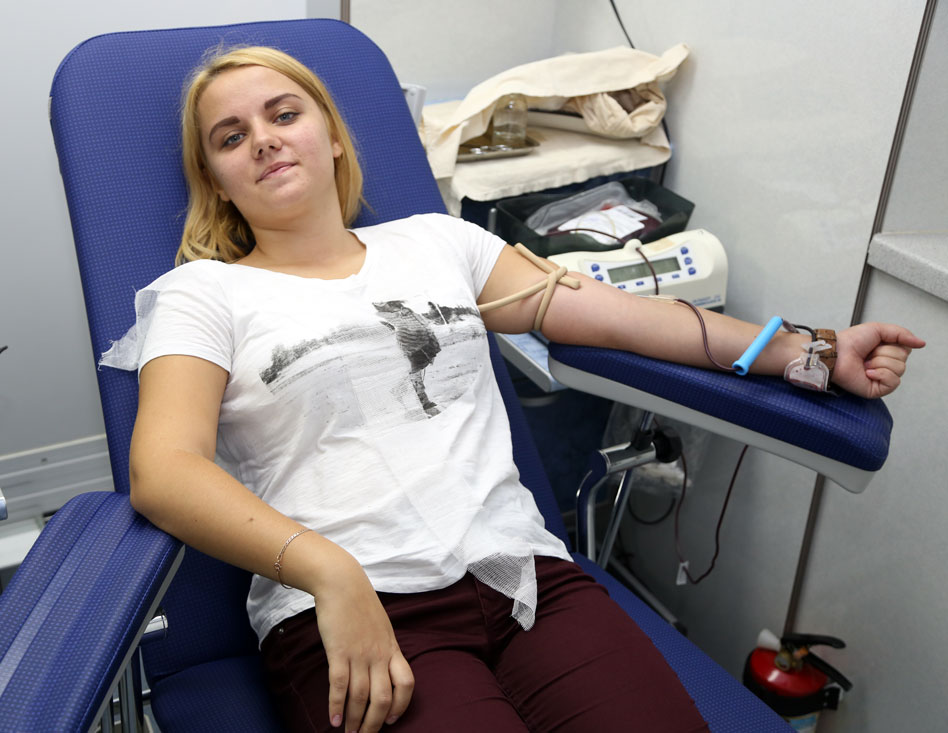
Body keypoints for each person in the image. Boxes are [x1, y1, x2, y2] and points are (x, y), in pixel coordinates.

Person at [102, 46, 923, 733]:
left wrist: (809, 350)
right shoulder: (202, 294)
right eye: (231, 136)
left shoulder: (438, 244)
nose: (264, 140)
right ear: (216, 180)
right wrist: (328, 572)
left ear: (334, 138)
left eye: (284, 114)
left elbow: (622, 318)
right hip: (352, 607)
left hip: (526, 579)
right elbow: (164, 469)